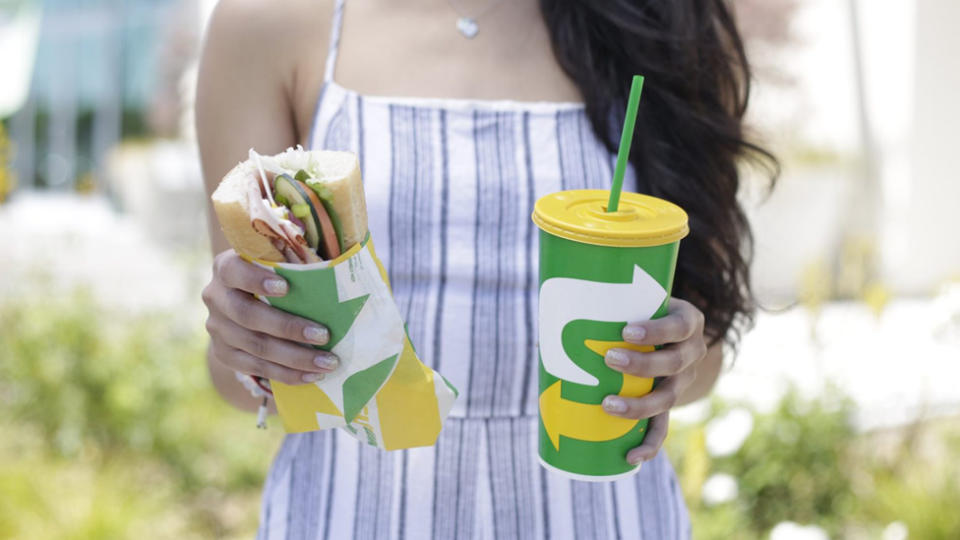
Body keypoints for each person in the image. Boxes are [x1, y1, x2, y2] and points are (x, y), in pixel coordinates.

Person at [196, 0, 776, 538]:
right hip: (348, 511)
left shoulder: (660, 18)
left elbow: (707, 354)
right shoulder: (265, 20)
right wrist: (251, 348)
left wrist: (671, 363)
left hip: (602, 511)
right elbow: (238, 383)